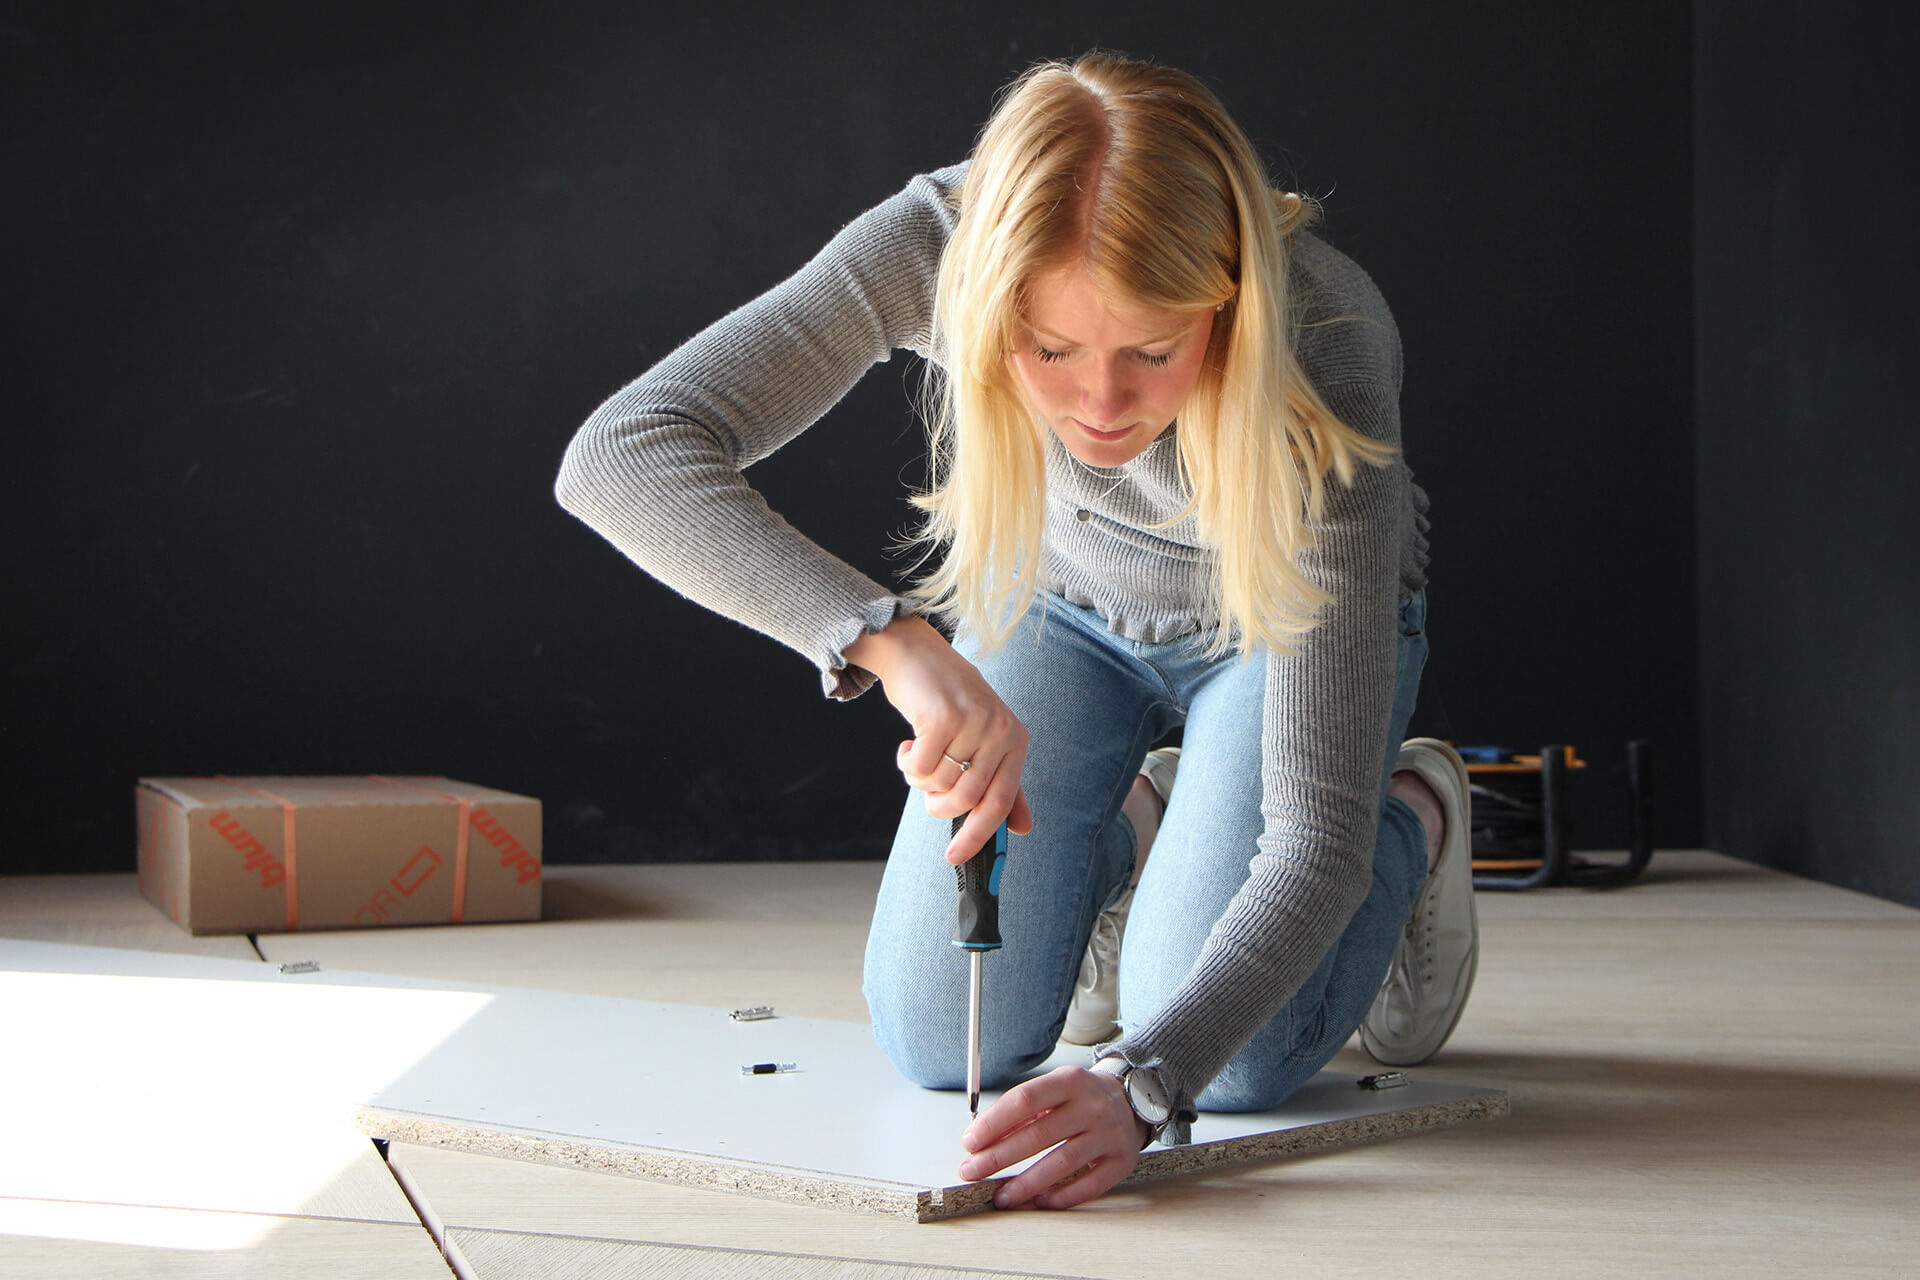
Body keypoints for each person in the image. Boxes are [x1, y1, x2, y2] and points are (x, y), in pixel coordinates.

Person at [556, 51, 1478, 1211]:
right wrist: (890, 640)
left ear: (1229, 296)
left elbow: (1310, 842)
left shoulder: (1327, 337)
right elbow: (622, 453)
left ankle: (1422, 816)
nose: (1100, 405)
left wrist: (1144, 1082)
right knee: (947, 1046)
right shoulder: (934, 243)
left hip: (1277, 618)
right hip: (1063, 604)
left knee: (1233, 1064)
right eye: (1048, 350)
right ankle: (1142, 816)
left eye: (1153, 350)